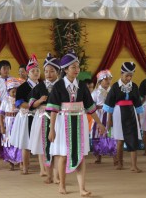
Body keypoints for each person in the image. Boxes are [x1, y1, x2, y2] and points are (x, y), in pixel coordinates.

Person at [47, 50, 105, 196]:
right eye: (73, 67)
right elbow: (53, 110)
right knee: (63, 154)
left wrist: (99, 123)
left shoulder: (82, 86)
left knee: (80, 155)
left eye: (78, 67)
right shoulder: (59, 86)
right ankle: (62, 185)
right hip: (63, 122)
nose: (77, 70)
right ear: (65, 69)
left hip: (79, 122)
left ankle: (82, 188)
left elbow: (90, 107)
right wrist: (51, 129)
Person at [103, 62, 144, 172]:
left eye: (131, 75)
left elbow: (138, 104)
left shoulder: (134, 86)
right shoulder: (115, 87)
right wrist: (109, 120)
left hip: (131, 113)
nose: (129, 78)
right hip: (118, 114)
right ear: (121, 74)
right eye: (127, 75)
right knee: (120, 140)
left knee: (133, 138)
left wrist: (139, 120)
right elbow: (109, 105)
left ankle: (134, 165)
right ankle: (119, 163)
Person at [28, 53, 60, 183]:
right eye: (46, 71)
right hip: (42, 118)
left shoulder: (62, 85)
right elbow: (31, 104)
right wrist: (40, 100)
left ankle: (57, 175)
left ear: (58, 72)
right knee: (44, 146)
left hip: (58, 118)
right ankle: (48, 174)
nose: (48, 74)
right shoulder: (39, 87)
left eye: (52, 71)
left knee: (57, 147)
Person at [10, 54, 40, 175]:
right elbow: (19, 103)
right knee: (26, 143)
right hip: (26, 116)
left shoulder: (42, 86)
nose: (36, 73)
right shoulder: (23, 87)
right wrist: (33, 105)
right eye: (33, 71)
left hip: (39, 116)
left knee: (40, 141)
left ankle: (43, 168)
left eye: (38, 70)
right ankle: (25, 167)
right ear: (28, 73)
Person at [91, 70, 116, 164]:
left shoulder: (113, 91)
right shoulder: (95, 93)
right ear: (100, 81)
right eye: (105, 79)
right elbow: (91, 105)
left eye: (109, 79)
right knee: (98, 134)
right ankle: (98, 157)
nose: (108, 81)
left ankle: (115, 157)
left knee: (111, 134)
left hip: (110, 115)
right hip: (99, 116)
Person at [0, 78, 22, 170]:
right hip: (8, 124)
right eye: (13, 91)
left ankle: (20, 162)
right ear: (8, 91)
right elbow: (0, 114)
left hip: (18, 123)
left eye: (16, 91)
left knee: (19, 142)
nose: (15, 93)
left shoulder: (20, 100)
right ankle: (10, 163)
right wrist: (1, 126)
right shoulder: (5, 101)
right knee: (8, 142)